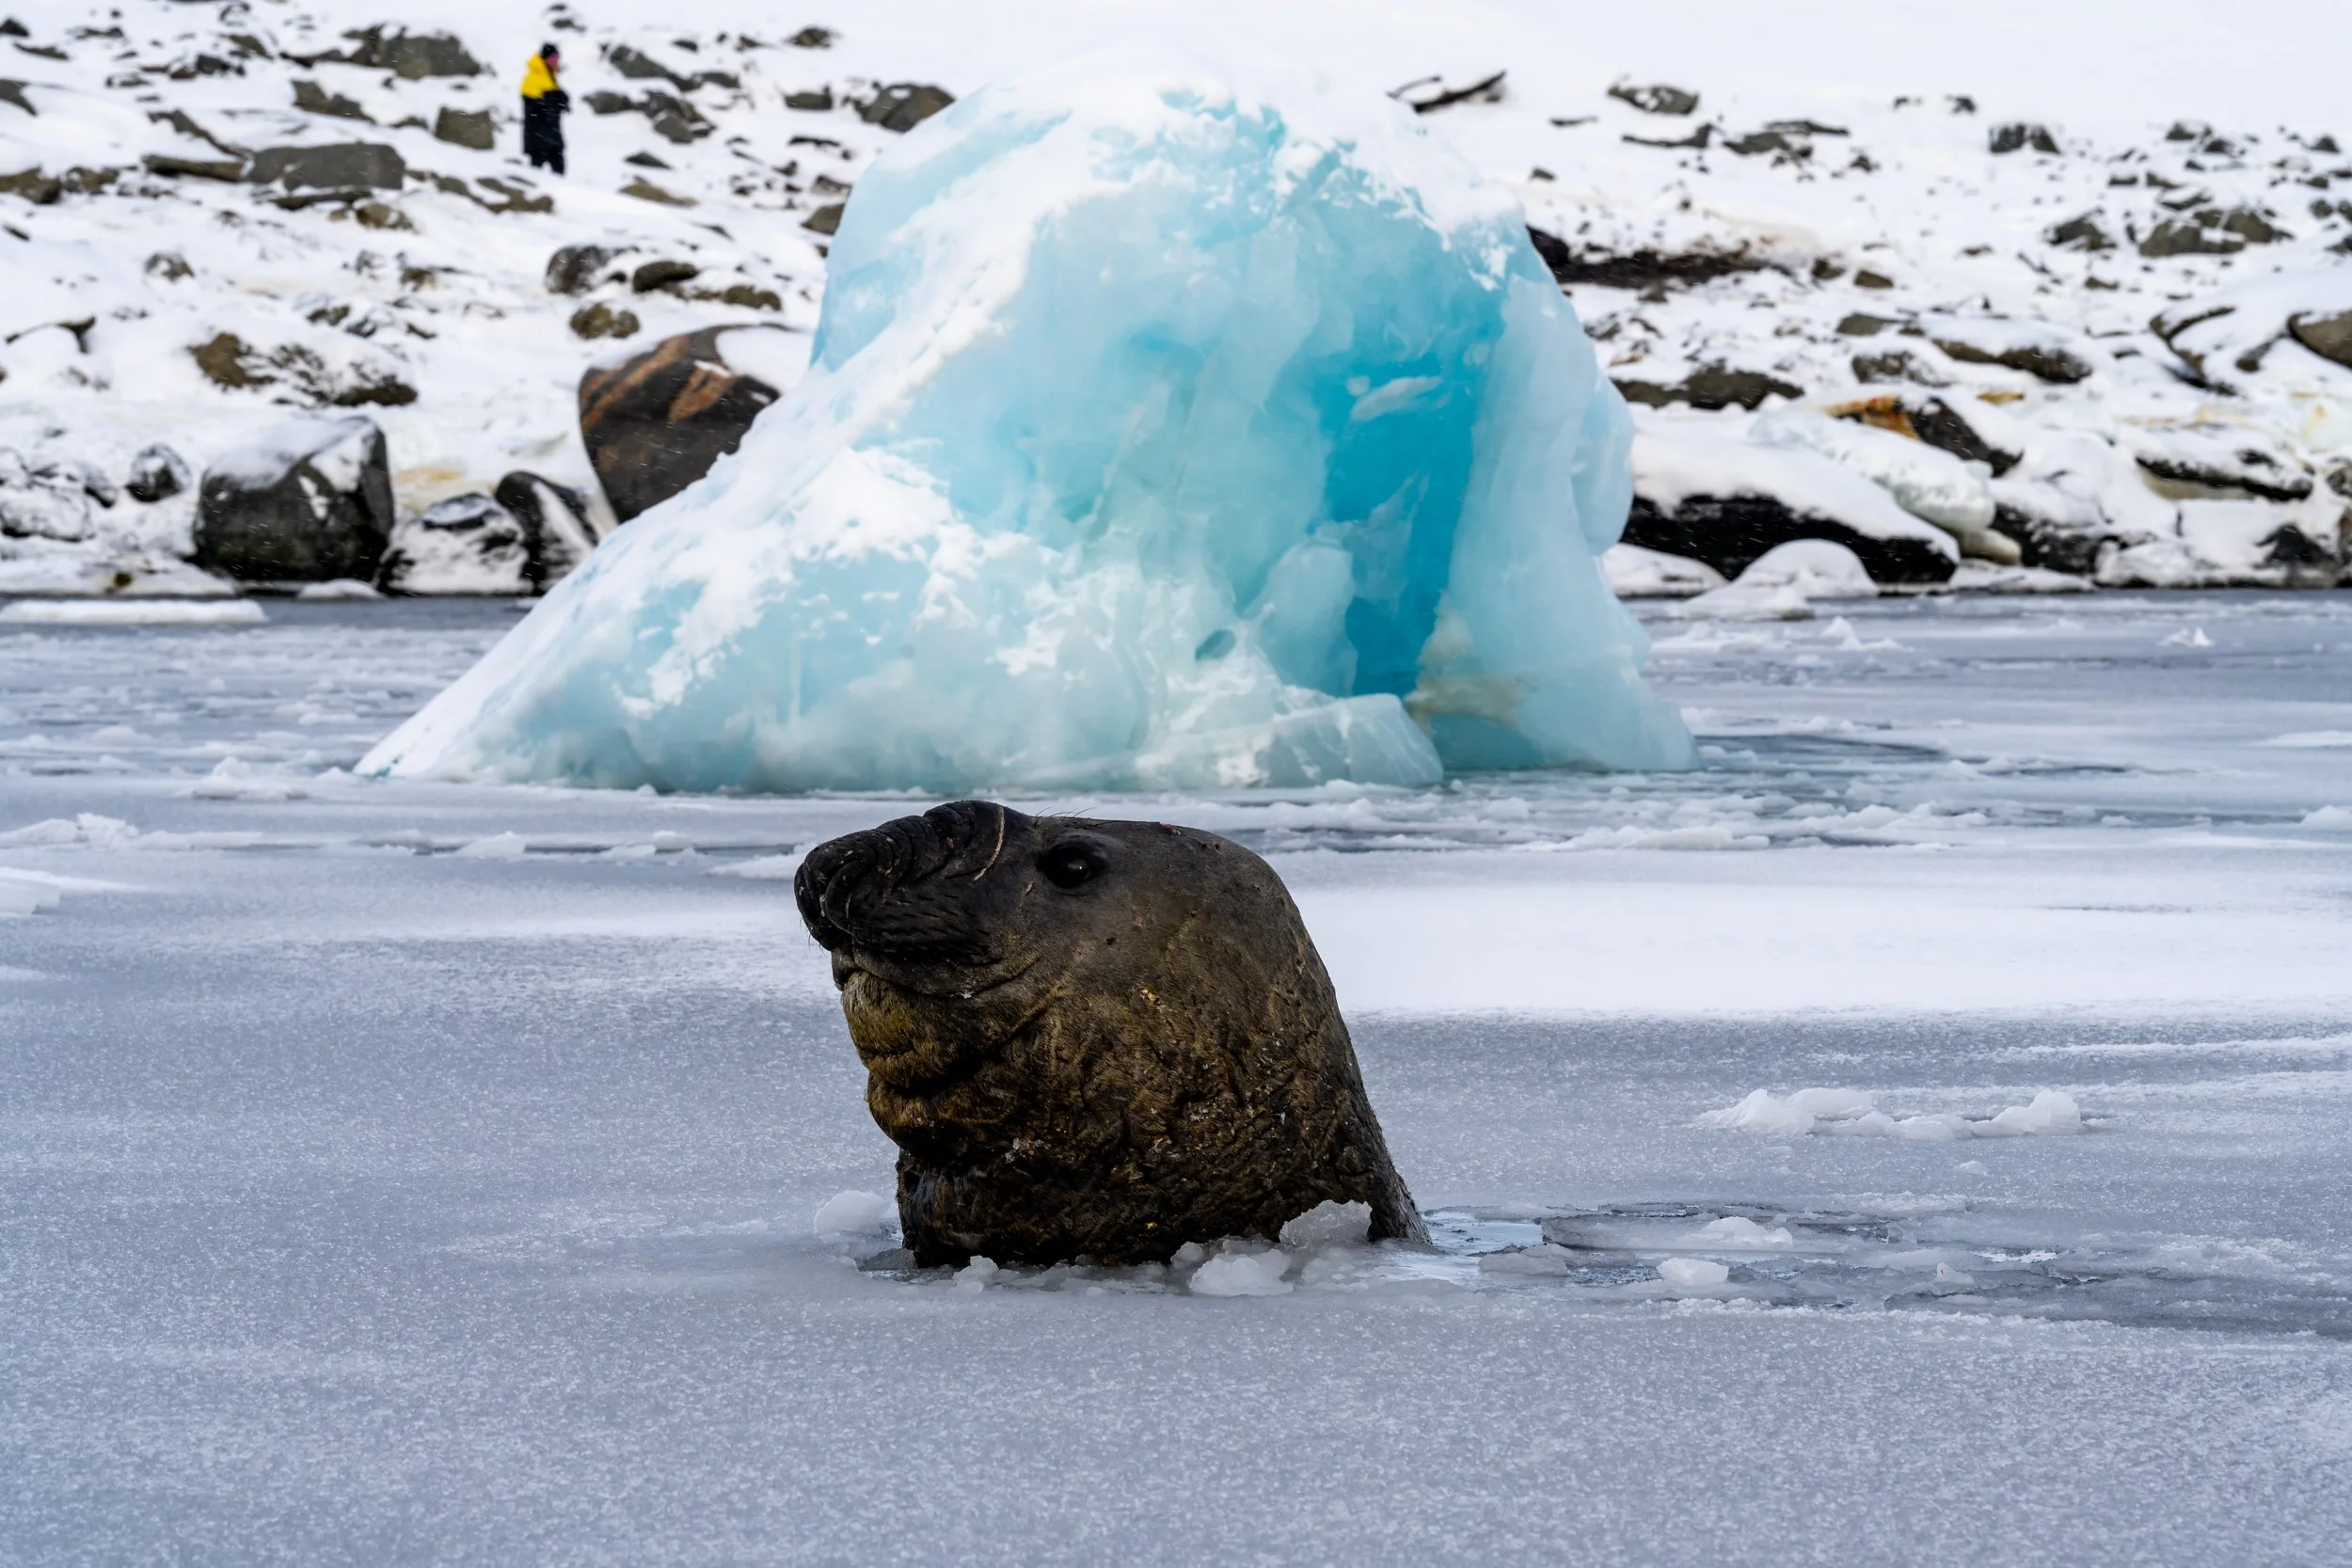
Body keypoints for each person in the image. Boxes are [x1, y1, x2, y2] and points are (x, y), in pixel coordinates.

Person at [519, 43, 569, 175]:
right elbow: (532, 106)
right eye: (553, 58)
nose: (556, 62)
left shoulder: (550, 78)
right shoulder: (532, 78)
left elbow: (554, 104)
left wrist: (562, 101)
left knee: (559, 171)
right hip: (538, 137)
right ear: (544, 59)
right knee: (536, 173)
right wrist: (553, 101)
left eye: (557, 58)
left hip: (553, 135)